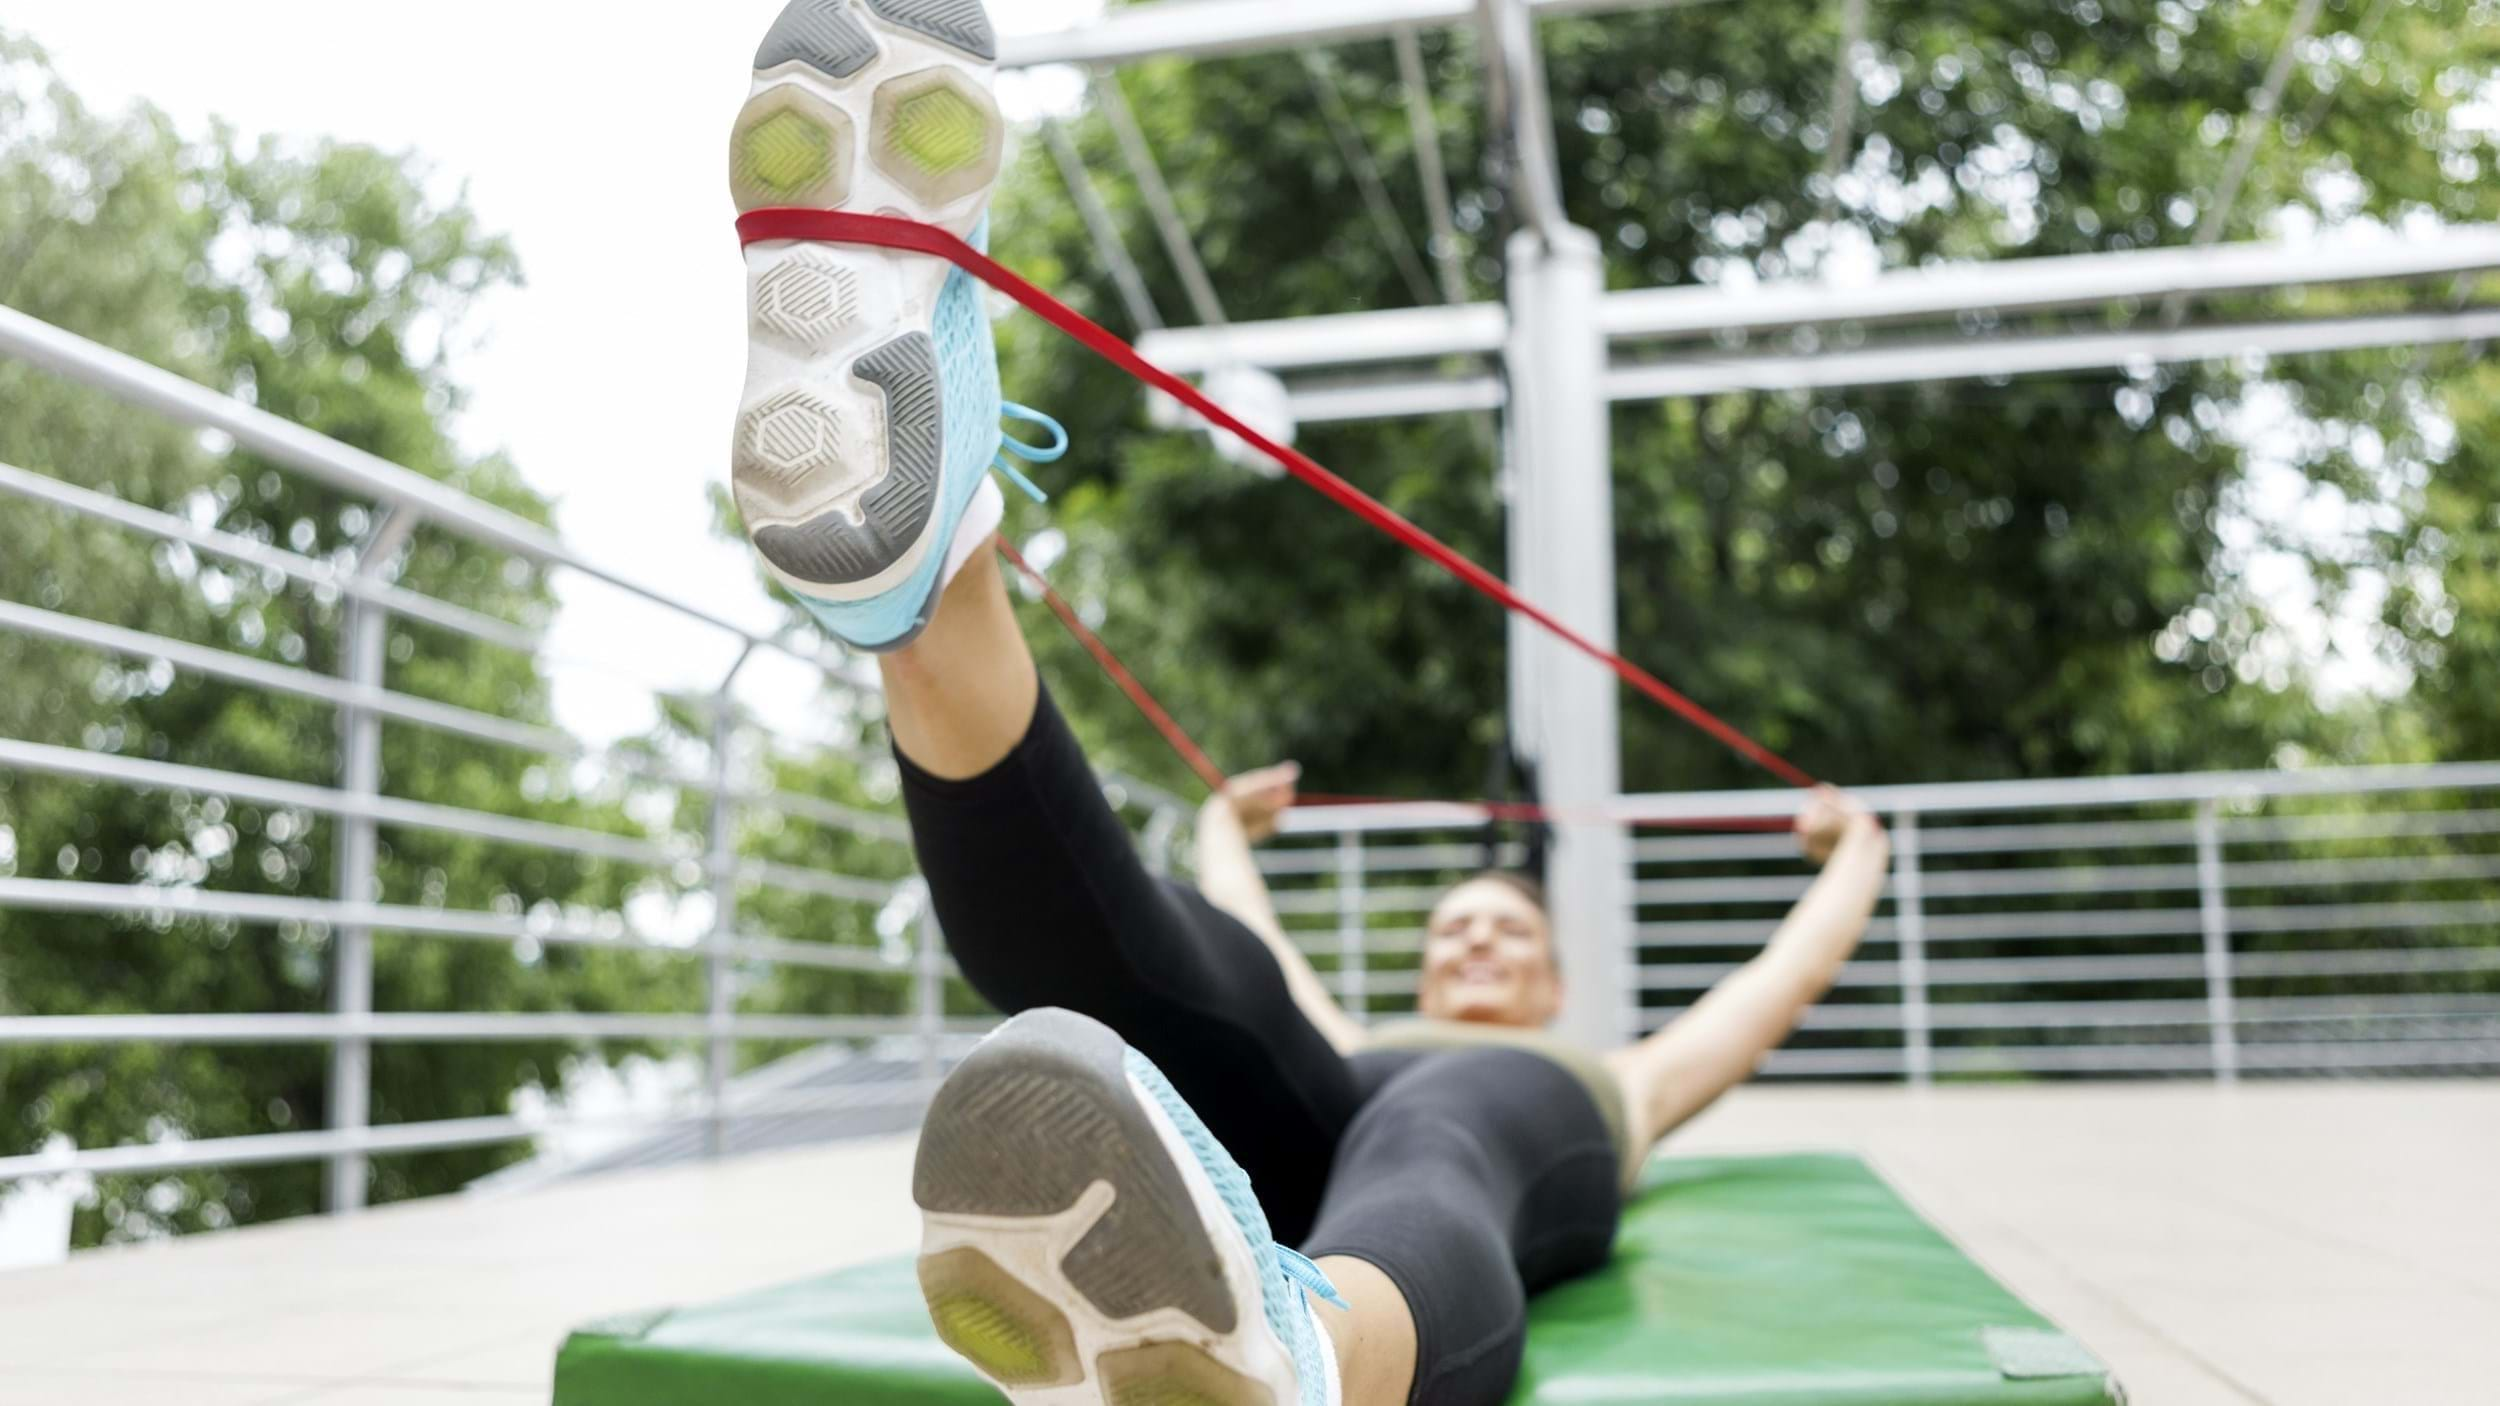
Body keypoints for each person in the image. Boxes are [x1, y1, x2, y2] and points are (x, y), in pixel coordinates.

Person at [722, 5, 1891, 1404]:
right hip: (1323, 1103)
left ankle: (1311, 1353)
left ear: (1557, 983)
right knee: (1184, 961)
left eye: (1501, 935)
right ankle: (926, 588)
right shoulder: (1356, 1029)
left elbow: (1779, 987)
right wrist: (1228, 832)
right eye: (1456, 926)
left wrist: (1856, 855)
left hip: (1475, 1135)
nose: (1470, 942)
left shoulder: (1615, 1076)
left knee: (1445, 1132)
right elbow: (1239, 932)